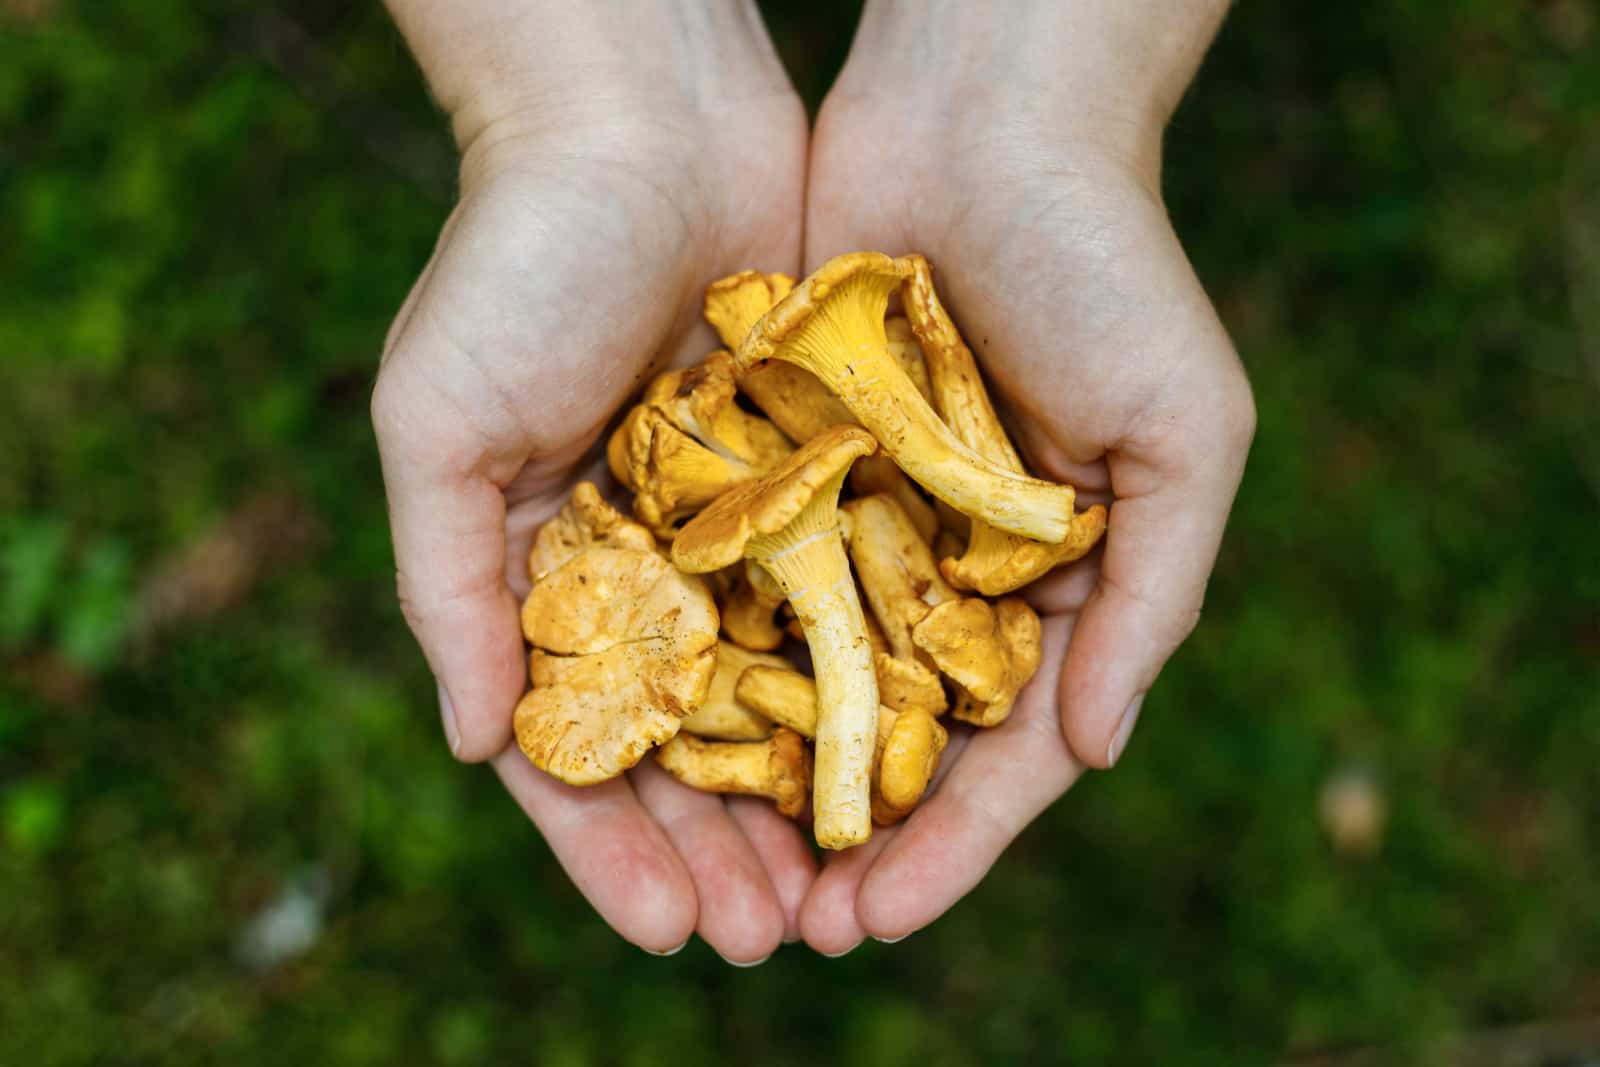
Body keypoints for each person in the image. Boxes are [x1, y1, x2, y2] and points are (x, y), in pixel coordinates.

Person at [372, 1, 1254, 964]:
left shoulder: (865, 500)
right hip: (757, 568)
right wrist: (587, 113)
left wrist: (1035, 95)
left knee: (884, 514)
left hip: (857, 537)